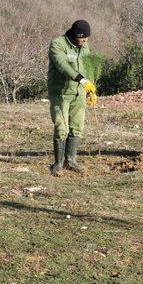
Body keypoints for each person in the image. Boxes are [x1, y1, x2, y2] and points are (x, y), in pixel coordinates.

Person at [47, 19, 98, 176]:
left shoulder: (84, 46)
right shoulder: (58, 44)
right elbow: (63, 66)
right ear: (76, 35)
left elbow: (87, 66)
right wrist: (82, 80)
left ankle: (71, 160)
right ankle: (58, 163)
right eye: (83, 38)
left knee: (77, 126)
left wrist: (91, 88)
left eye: (87, 38)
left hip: (79, 93)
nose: (85, 41)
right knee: (62, 127)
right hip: (60, 93)